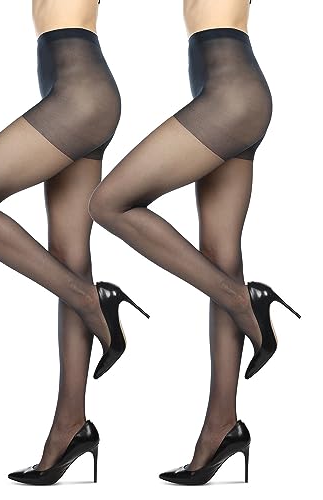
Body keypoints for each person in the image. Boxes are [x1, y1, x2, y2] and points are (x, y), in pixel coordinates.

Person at [0, 0, 149, 486]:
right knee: (69, 261)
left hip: (78, 95)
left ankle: (93, 302)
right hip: (74, 89)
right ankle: (70, 427)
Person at [88, 0, 301, 485]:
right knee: (220, 260)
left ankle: (244, 301)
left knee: (110, 203)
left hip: (229, 94)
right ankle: (221, 428)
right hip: (225, 90)